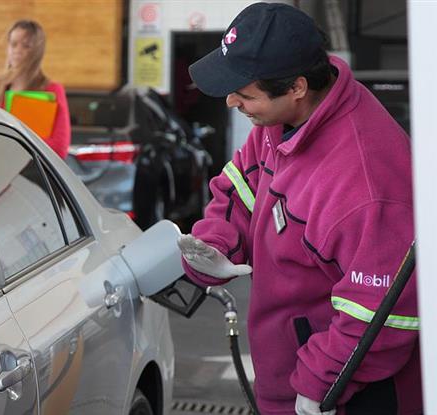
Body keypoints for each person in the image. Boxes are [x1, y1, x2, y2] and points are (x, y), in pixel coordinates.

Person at [178, 3, 419, 415]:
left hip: (346, 396)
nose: (231, 102)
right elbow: (240, 185)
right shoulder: (280, 121)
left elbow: (386, 311)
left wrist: (320, 382)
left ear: (297, 87)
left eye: (245, 93)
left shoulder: (364, 182)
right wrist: (217, 244)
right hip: (285, 377)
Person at [0, 19, 71, 159]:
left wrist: (15, 141)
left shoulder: (52, 90)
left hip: (35, 171)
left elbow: (59, 148)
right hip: (0, 167)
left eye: (26, 46)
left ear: (37, 51)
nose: (17, 51)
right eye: (13, 44)